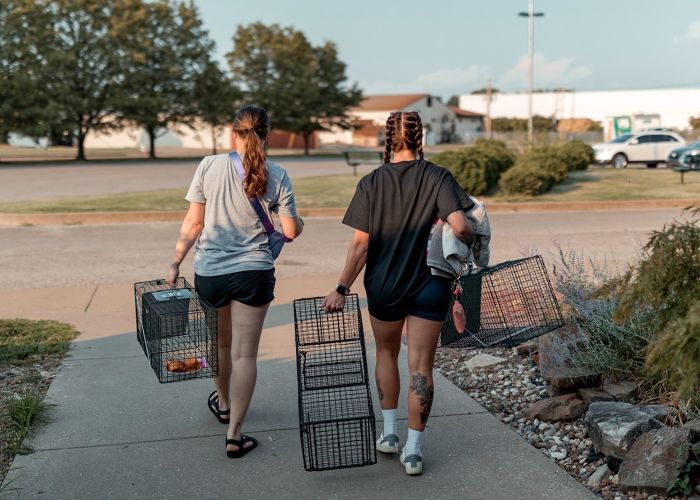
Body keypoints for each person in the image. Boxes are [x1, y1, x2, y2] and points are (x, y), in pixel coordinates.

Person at [323, 111, 475, 475]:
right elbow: (460, 225)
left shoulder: (371, 182)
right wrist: (468, 238)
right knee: (421, 367)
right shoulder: (437, 176)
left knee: (386, 353)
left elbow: (360, 245)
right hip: (429, 285)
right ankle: (414, 451)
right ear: (420, 138)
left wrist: (341, 288)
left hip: (384, 285)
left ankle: (389, 434)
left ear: (387, 140)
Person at [167, 105, 304, 458]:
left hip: (210, 272)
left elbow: (192, 224)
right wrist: (297, 222)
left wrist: (174, 263)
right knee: (245, 354)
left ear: (233, 133)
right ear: (268, 134)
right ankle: (234, 434)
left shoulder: (209, 165)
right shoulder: (278, 174)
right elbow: (290, 230)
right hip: (253, 273)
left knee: (220, 347)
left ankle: (224, 403)